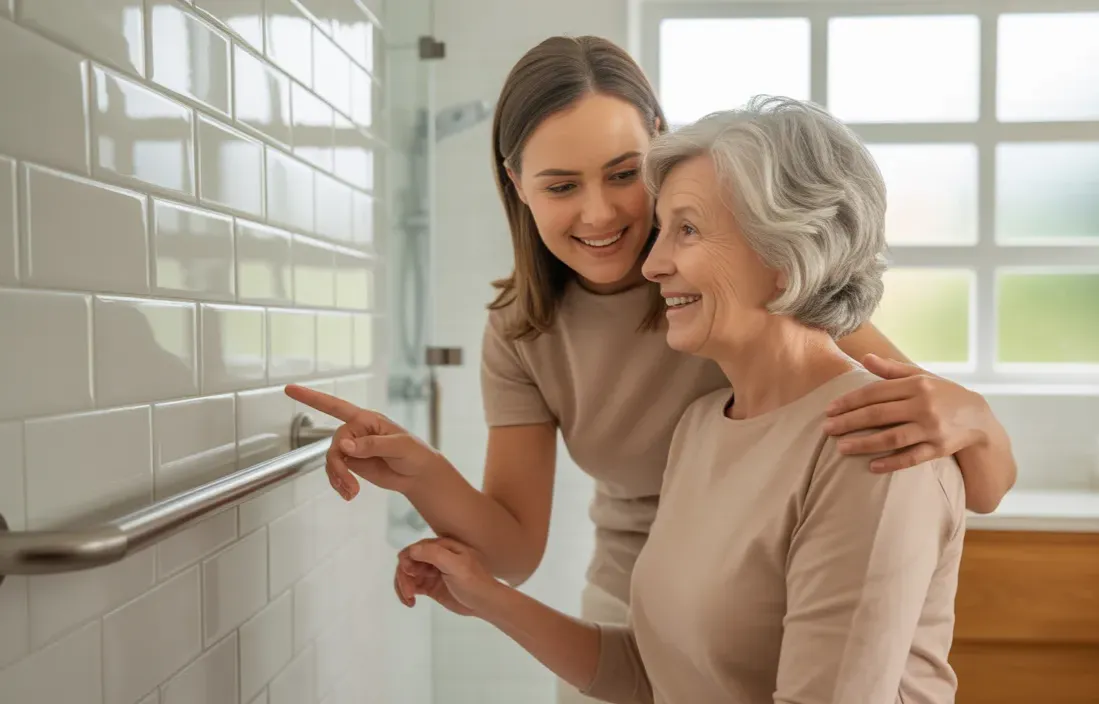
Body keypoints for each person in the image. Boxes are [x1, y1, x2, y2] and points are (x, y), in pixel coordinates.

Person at [284, 33, 1010, 703]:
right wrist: (419, 470)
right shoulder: (532, 334)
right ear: (517, 184)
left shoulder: (753, 288)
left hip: (781, 578)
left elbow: (912, 432)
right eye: (561, 186)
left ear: (657, 146)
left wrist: (973, 420)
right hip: (643, 604)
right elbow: (517, 549)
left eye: (624, 174)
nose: (600, 216)